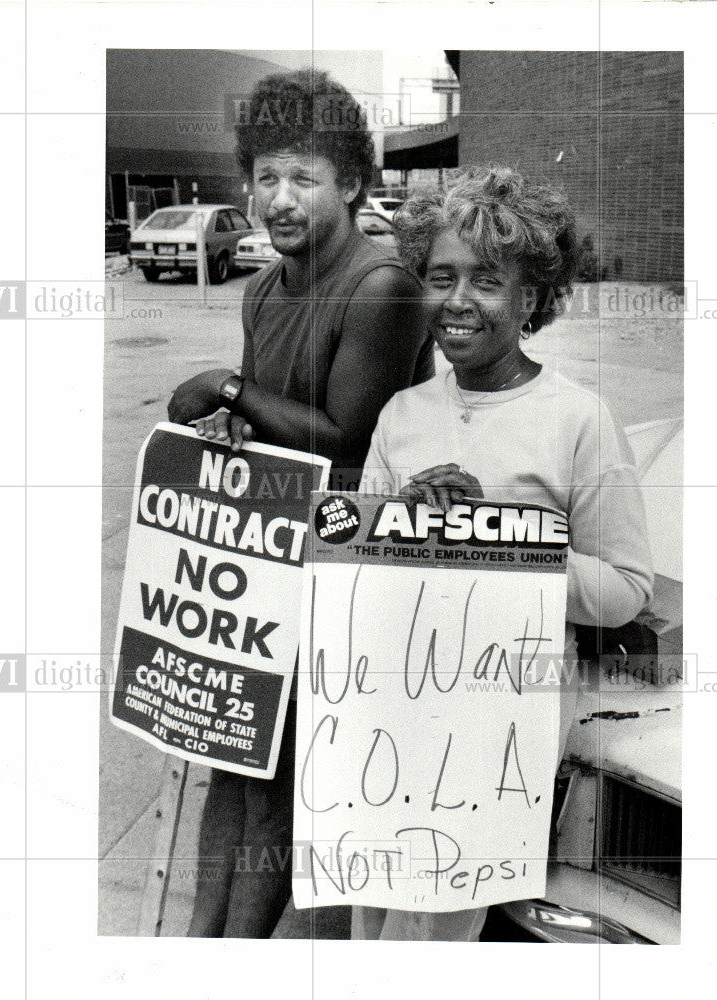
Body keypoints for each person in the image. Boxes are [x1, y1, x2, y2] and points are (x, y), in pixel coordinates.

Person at [167, 69, 435, 938]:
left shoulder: (380, 286)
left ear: (352, 183)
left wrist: (232, 388)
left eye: (303, 179)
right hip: (263, 560)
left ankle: (241, 957)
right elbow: (272, 431)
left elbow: (343, 443)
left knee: (286, 787)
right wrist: (222, 426)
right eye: (265, 177)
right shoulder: (260, 287)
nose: (277, 199)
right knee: (228, 761)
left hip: (340, 572)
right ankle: (197, 951)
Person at [355, 165, 654, 941]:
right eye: (440, 276)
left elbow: (625, 589)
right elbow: (358, 573)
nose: (456, 301)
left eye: (486, 281)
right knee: (373, 918)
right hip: (395, 703)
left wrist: (505, 538)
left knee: (431, 937)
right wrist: (398, 520)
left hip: (497, 726)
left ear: (532, 300)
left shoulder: (578, 419)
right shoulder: (402, 412)